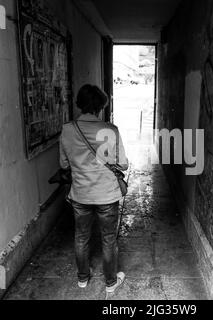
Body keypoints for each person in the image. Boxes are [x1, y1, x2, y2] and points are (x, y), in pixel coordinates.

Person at [59, 84, 129, 294]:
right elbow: (123, 164)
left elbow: (64, 164)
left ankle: (82, 279)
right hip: (107, 194)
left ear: (80, 104)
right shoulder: (110, 130)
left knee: (81, 236)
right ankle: (110, 283)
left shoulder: (67, 129)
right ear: (100, 107)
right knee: (108, 238)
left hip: (80, 194)